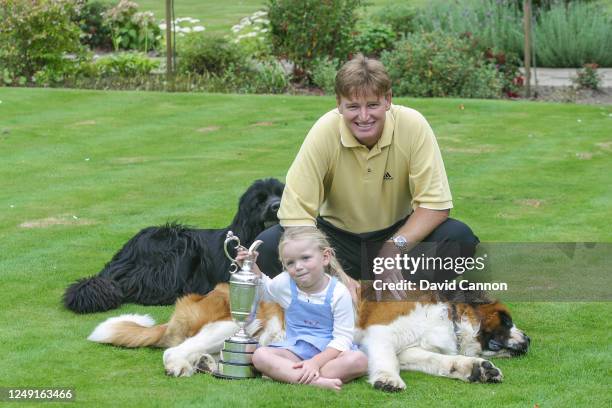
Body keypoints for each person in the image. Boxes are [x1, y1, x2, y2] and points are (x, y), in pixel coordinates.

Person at [255, 54, 479, 299]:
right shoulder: (324, 131)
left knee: (459, 238)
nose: (363, 116)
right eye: (353, 106)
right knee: (269, 246)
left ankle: (409, 301)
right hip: (336, 240)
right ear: (339, 105)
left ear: (388, 100)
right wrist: (333, 271)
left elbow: (435, 206)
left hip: (399, 235)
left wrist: (392, 250)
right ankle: (330, 299)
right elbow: (295, 215)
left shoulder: (413, 125)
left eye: (372, 105)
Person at [236, 227, 368, 391]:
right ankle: (315, 381)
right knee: (260, 355)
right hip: (295, 351)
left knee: (358, 360)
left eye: (305, 258)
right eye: (290, 262)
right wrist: (250, 266)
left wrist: (315, 363)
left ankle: (287, 373)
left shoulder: (338, 293)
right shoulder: (285, 283)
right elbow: (265, 290)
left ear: (325, 257)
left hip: (330, 354)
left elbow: (342, 339)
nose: (298, 266)